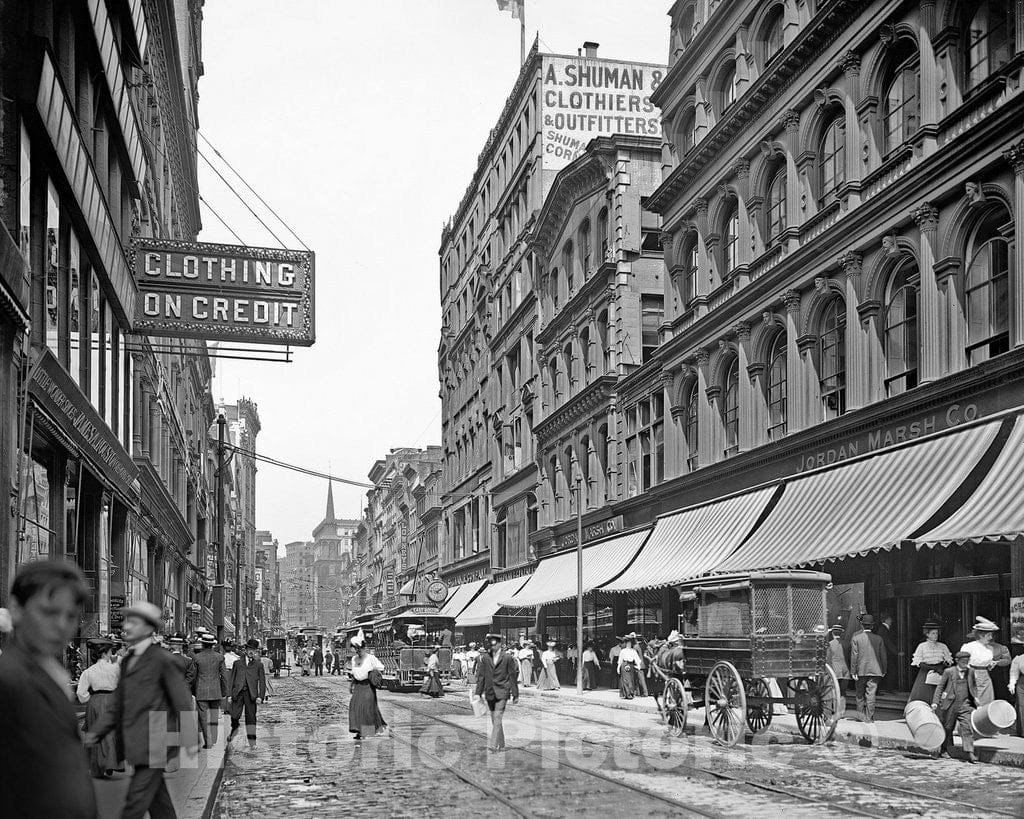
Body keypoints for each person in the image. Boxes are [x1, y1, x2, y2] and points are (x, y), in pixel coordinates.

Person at [0, 561, 97, 819]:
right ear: (16, 609)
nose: (62, 625)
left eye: (71, 616)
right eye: (49, 612)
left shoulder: (48, 673)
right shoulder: (9, 679)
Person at [87, 600, 197, 819]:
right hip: (137, 741)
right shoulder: (129, 661)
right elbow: (118, 702)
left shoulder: (163, 660)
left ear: (147, 628)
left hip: (156, 742)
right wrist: (96, 731)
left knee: (134, 804)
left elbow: (182, 700)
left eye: (133, 622)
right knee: (159, 804)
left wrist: (190, 738)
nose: (126, 627)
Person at [77, 636, 125, 777]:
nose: (112, 654)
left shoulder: (89, 672)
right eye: (110, 651)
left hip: (94, 702)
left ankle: (97, 767)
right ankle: (111, 762)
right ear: (105, 653)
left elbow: (81, 695)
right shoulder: (116, 669)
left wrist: (90, 697)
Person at [474, 633, 519, 753]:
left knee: (497, 717)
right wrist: (478, 692)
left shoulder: (508, 658)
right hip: (490, 693)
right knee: (495, 719)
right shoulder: (486, 658)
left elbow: (512, 676)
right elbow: (481, 676)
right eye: (491, 644)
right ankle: (502, 743)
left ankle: (493, 744)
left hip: (503, 692)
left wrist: (515, 694)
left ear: (500, 644)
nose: (493, 647)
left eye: (495, 644)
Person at [932, 650, 978, 763]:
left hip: (965, 704)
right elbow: (940, 687)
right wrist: (935, 702)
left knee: (967, 727)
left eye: (967, 661)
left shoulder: (971, 671)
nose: (965, 664)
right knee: (947, 728)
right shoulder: (949, 672)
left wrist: (976, 698)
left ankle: (970, 753)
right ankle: (944, 749)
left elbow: (974, 686)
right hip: (950, 704)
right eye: (963, 661)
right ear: (957, 661)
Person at [228, 639, 267, 747]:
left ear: (256, 651)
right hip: (238, 693)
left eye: (253, 650)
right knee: (234, 715)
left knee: (251, 719)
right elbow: (231, 679)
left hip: (251, 695)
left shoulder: (259, 665)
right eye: (250, 649)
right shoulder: (237, 663)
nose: (251, 651)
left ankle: (252, 742)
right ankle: (234, 730)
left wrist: (260, 696)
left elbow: (262, 682)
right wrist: (229, 695)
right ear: (246, 649)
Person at [349, 633, 387, 739]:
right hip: (358, 686)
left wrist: (373, 674)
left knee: (366, 709)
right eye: (355, 650)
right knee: (354, 707)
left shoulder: (371, 658)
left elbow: (381, 667)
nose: (357, 652)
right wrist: (352, 684)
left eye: (359, 649)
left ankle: (367, 732)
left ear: (363, 648)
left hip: (368, 686)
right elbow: (354, 673)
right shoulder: (354, 659)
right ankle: (358, 730)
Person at [850, 613, 886, 723]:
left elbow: (854, 656)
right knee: (871, 694)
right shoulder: (879, 638)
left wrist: (853, 671)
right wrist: (884, 669)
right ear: (872, 626)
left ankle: (860, 716)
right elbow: (883, 655)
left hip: (860, 670)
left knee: (859, 694)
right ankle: (869, 718)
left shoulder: (856, 638)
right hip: (875, 670)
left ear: (862, 624)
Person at [193, 633, 228, 748]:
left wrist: (193, 691)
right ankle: (214, 739)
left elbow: (194, 676)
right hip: (216, 690)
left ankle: (208, 742)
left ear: (203, 644)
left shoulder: (196, 658)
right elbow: (224, 676)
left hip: (201, 690)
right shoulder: (219, 657)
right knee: (214, 716)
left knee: (203, 717)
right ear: (213, 645)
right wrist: (224, 692)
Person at [960, 616, 1003, 707]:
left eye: (991, 635)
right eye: (988, 635)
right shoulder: (969, 647)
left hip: (985, 676)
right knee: (973, 701)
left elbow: (988, 663)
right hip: (971, 675)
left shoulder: (990, 648)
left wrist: (992, 664)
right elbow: (962, 664)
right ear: (981, 635)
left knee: (987, 701)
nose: (991, 638)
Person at [908, 620, 952, 704]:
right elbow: (918, 661)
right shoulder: (922, 646)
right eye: (933, 633)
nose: (936, 635)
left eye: (936, 633)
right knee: (924, 697)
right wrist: (932, 668)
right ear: (927, 634)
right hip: (925, 673)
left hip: (940, 672)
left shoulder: (942, 646)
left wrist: (941, 667)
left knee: (939, 694)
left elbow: (948, 660)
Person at [877, 612, 899, 694]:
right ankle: (886, 689)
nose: (891, 621)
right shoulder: (883, 629)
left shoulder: (885, 629)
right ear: (886, 620)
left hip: (887, 654)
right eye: (890, 619)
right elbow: (887, 642)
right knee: (889, 671)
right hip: (886, 654)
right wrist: (897, 652)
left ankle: (887, 688)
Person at [617, 634, 642, 699]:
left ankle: (631, 692)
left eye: (630, 643)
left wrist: (638, 665)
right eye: (627, 643)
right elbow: (620, 660)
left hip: (631, 665)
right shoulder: (623, 651)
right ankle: (627, 694)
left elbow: (637, 659)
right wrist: (618, 667)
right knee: (625, 680)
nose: (629, 644)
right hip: (624, 664)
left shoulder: (633, 651)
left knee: (631, 679)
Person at [1009, 649, 1024, 737]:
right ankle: (1022, 731)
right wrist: (1012, 683)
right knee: (1021, 706)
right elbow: (1014, 671)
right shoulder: (1020, 658)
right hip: (1022, 683)